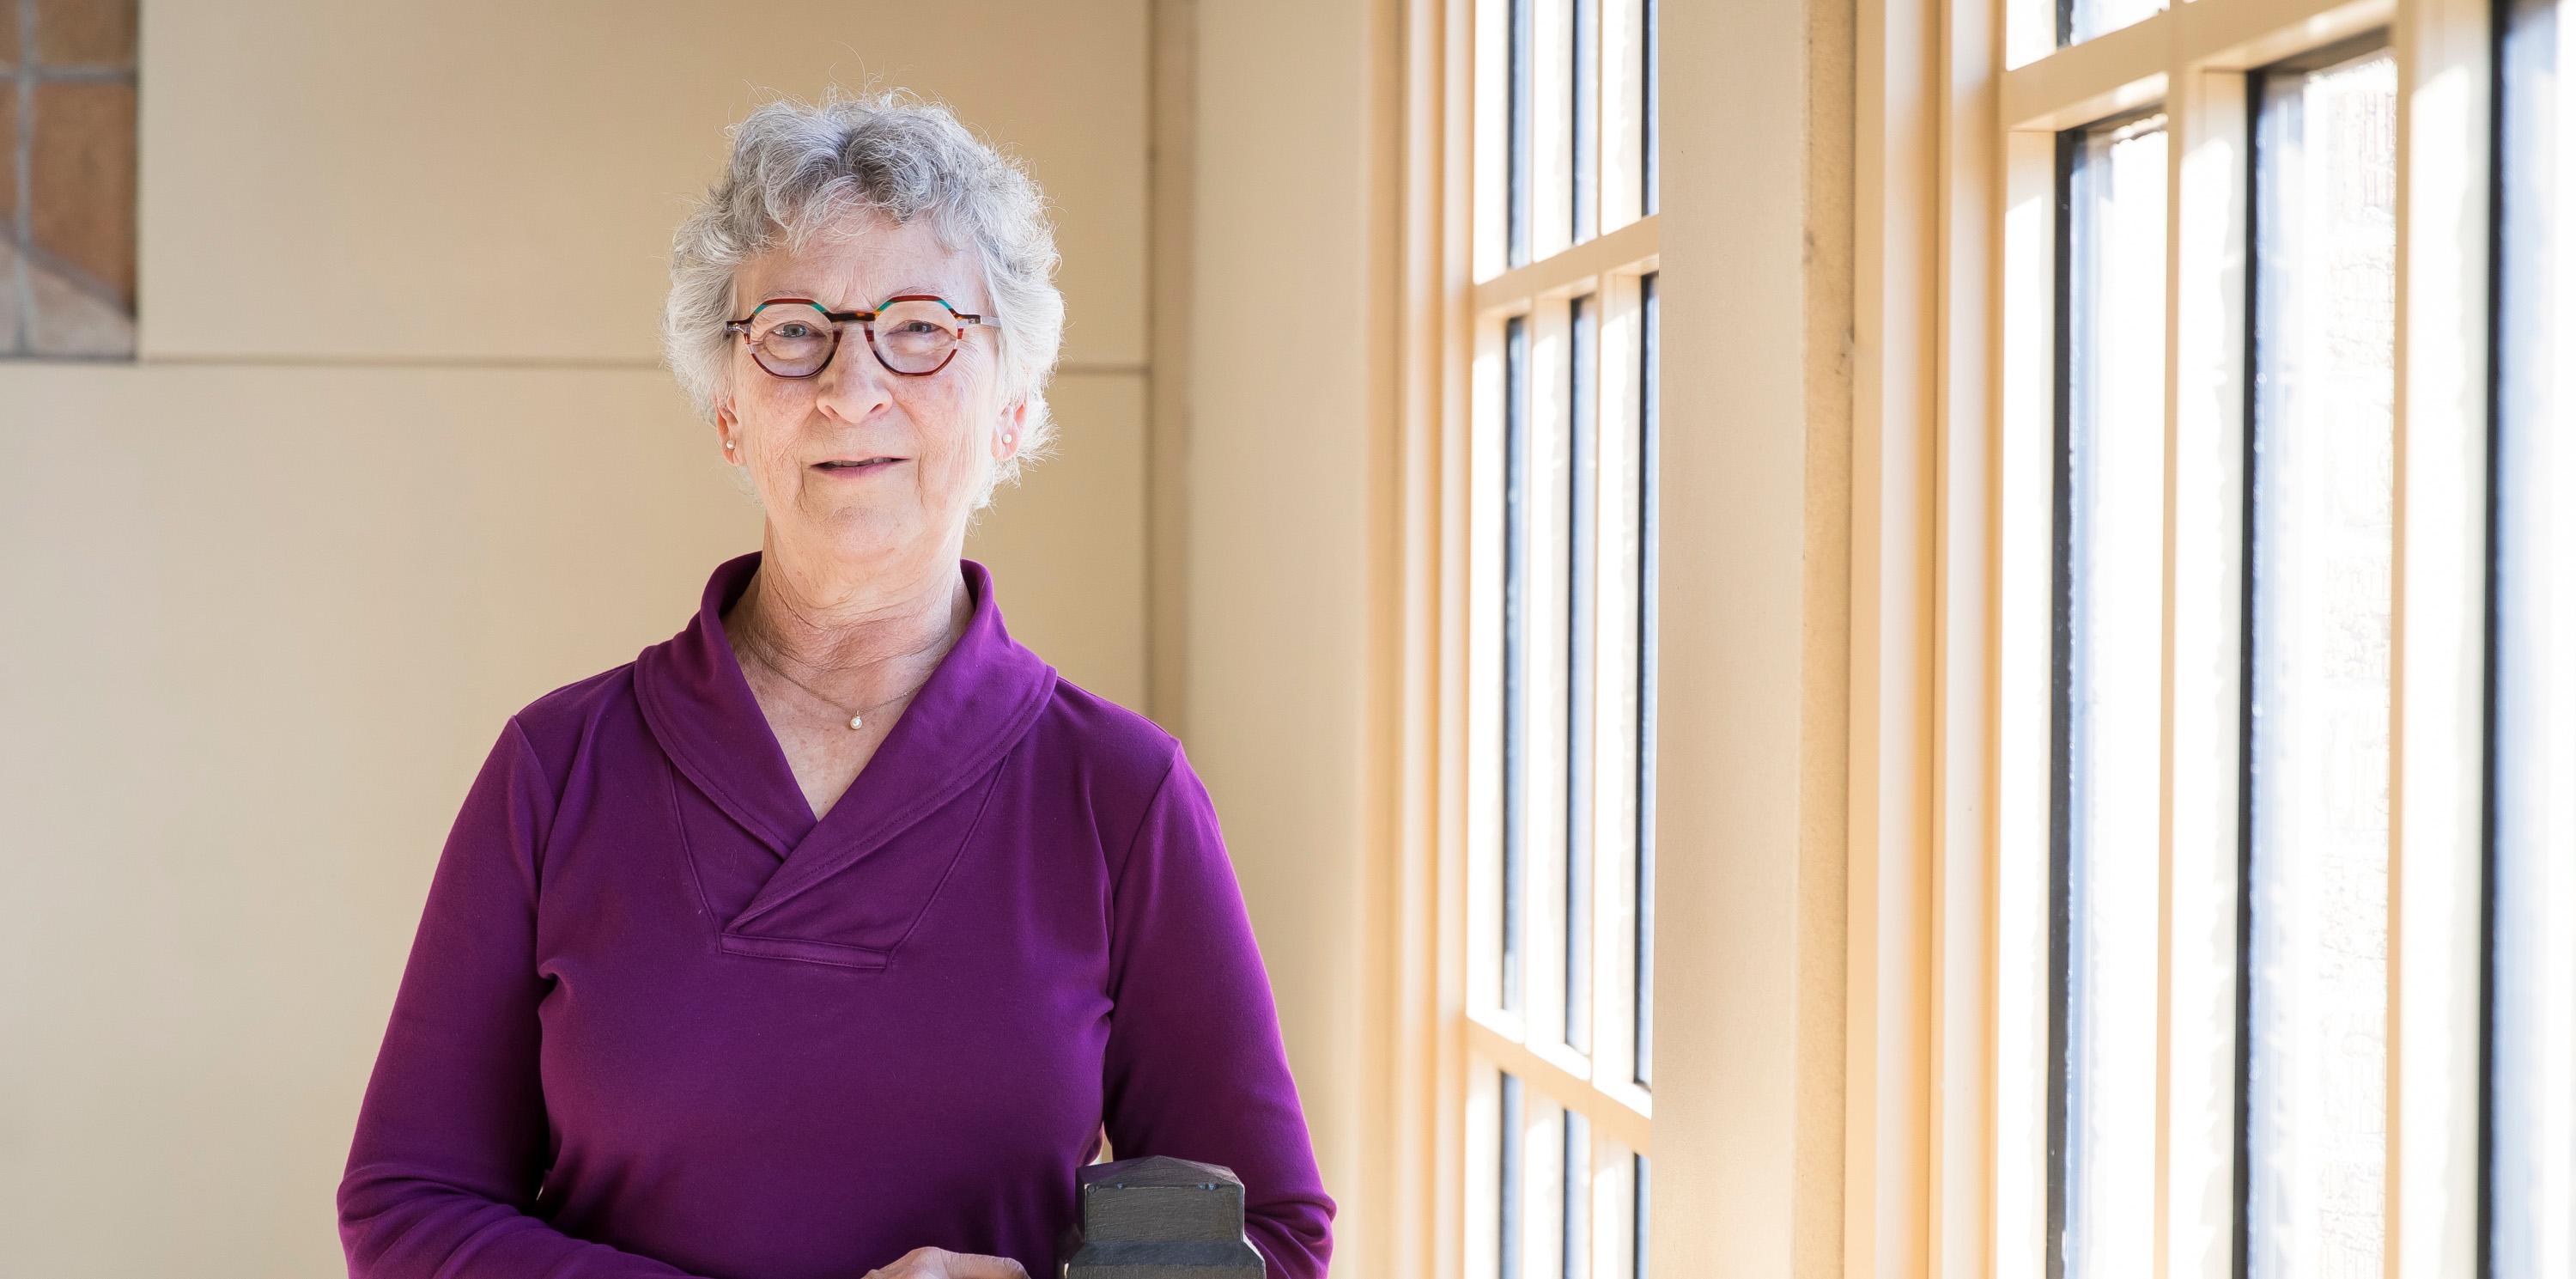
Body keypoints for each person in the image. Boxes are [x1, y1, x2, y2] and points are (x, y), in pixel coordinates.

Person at [336, 88, 1334, 1279]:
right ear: (728, 410)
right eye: (794, 332)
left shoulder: (1120, 795)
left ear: (1013, 410)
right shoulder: (558, 771)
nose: (851, 388)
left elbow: (1271, 1239)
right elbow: (409, 1203)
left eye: (920, 329)